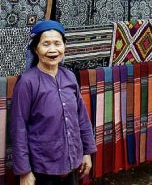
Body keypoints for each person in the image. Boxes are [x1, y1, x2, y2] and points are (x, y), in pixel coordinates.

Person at [11, 20, 97, 185]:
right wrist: (24, 171)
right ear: (36, 49)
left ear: (64, 46)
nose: (52, 49)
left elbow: (82, 118)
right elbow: (18, 127)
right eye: (46, 44)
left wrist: (86, 152)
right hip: (42, 169)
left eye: (57, 43)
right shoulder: (27, 82)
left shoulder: (70, 77)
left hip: (72, 164)